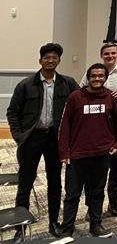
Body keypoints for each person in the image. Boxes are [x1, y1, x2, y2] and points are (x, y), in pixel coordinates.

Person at [6, 43, 79, 239]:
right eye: (46, 57)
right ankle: (19, 227)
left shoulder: (68, 83)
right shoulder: (26, 85)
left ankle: (54, 222)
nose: (50, 60)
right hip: (32, 138)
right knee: (25, 182)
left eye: (54, 57)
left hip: (56, 138)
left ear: (58, 61)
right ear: (40, 60)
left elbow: (79, 106)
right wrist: (19, 136)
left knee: (55, 182)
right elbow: (12, 112)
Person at [57, 63, 117, 238]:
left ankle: (95, 224)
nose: (97, 79)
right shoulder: (75, 98)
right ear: (88, 77)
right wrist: (64, 152)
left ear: (105, 78)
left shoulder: (111, 98)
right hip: (77, 155)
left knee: (97, 192)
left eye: (101, 76)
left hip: (101, 155)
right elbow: (65, 127)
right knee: (72, 194)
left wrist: (115, 144)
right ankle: (67, 227)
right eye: (94, 76)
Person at [80, 42, 117, 217]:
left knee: (115, 168)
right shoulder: (93, 72)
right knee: (92, 171)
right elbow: (82, 92)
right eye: (106, 54)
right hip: (94, 127)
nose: (110, 56)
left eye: (113, 53)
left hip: (115, 126)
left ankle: (113, 202)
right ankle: (91, 206)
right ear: (101, 55)